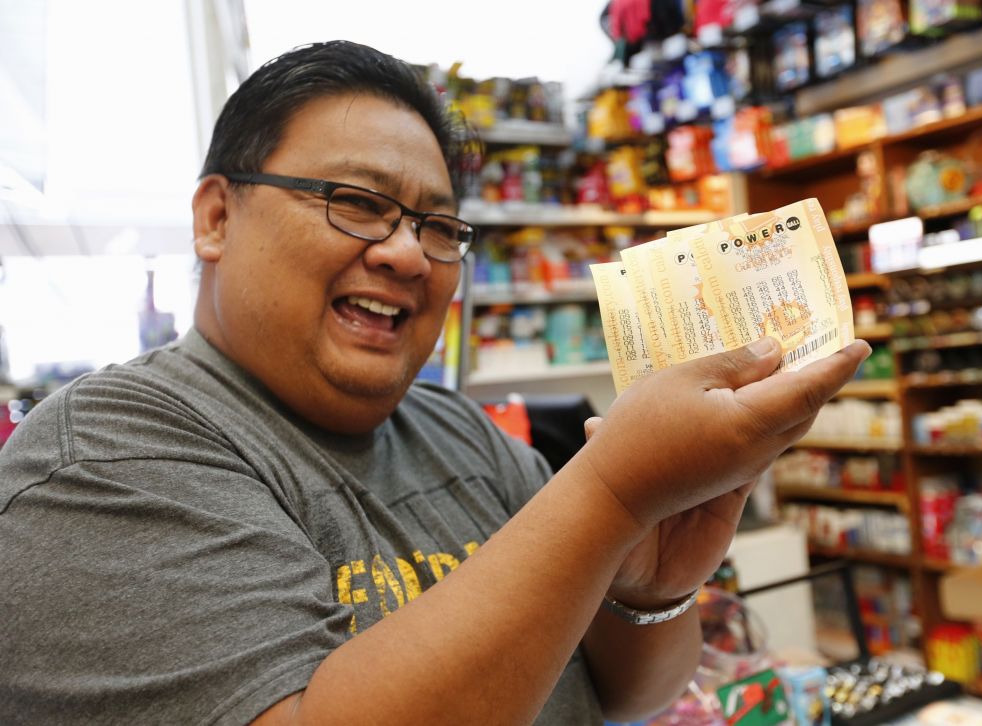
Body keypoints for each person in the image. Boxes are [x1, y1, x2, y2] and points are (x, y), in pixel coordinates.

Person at [0, 40, 869, 726]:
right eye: (358, 201)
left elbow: (630, 693)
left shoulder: (462, 435)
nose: (410, 252)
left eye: (439, 225)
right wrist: (611, 495)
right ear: (217, 217)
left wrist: (652, 586)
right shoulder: (104, 456)